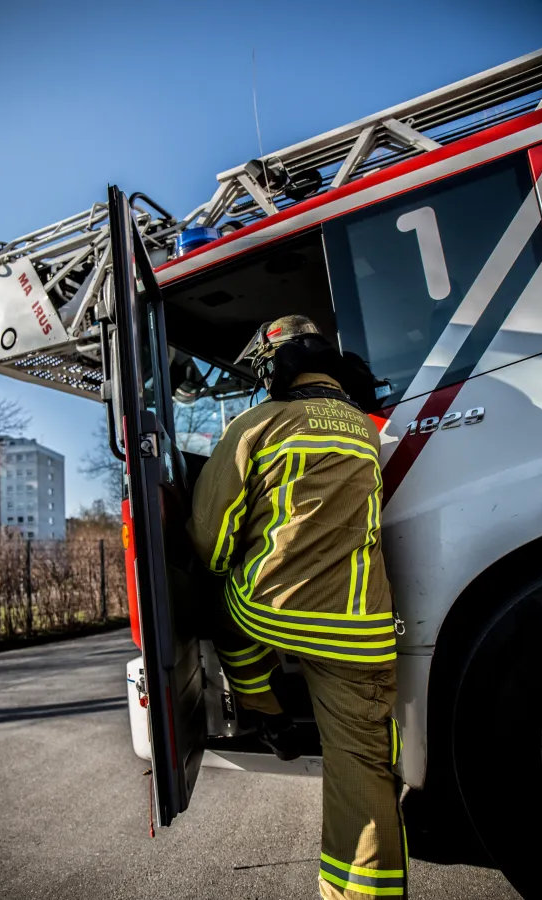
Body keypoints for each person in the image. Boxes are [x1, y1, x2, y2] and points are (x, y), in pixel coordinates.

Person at [187, 315, 407, 900]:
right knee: (362, 764)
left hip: (272, 609)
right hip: (360, 629)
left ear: (271, 366)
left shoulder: (256, 424)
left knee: (224, 611)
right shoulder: (368, 428)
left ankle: (270, 716)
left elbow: (211, 536)